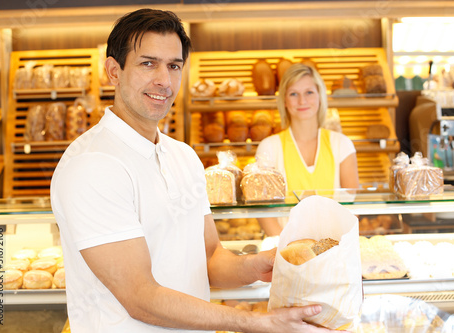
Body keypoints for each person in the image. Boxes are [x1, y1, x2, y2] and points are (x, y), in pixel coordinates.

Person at [51, 8, 345, 333]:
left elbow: (209, 259)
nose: (164, 80)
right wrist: (254, 322)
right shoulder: (93, 164)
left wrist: (258, 264)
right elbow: (139, 296)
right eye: (148, 63)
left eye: (174, 66)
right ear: (114, 71)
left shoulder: (184, 157)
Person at [256, 63, 359, 236]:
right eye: (294, 94)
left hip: (334, 249)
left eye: (309, 92)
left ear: (320, 96)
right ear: (284, 101)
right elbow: (263, 210)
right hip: (285, 252)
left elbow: (352, 208)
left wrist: (331, 249)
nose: (302, 101)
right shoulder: (269, 147)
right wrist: (285, 252)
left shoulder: (342, 144)